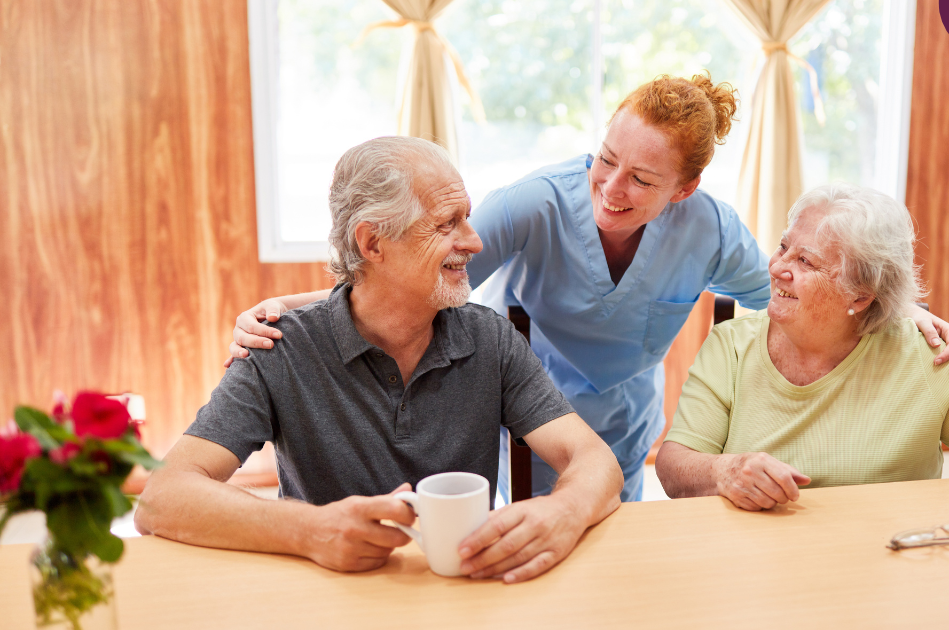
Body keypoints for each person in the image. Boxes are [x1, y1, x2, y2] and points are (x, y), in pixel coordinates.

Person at [224, 74, 949, 503]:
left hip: (622, 417)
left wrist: (909, 316)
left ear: (684, 190)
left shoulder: (711, 229)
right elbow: (417, 273)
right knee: (513, 524)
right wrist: (290, 310)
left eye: (642, 179)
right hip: (521, 398)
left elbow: (798, 288)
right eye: (604, 159)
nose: (611, 188)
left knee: (606, 534)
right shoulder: (534, 203)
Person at [135, 137, 623, 582]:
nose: (474, 241)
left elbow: (595, 460)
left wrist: (564, 512)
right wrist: (309, 529)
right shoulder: (278, 348)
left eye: (467, 218)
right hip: (325, 595)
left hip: (462, 590)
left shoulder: (489, 339)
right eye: (446, 223)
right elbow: (162, 498)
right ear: (372, 243)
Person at [655, 184, 949, 547]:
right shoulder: (731, 347)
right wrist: (723, 471)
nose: (778, 268)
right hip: (753, 560)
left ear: (859, 297)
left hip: (889, 564)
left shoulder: (924, 355)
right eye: (784, 247)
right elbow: (675, 466)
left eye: (806, 261)